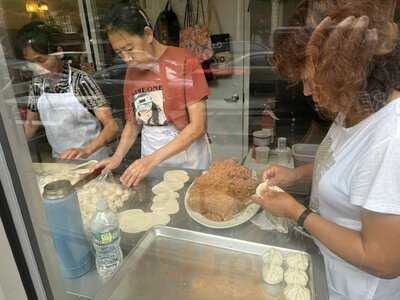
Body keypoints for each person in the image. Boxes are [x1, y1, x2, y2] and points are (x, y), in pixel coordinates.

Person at [253, 1, 400, 299]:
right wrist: (295, 176)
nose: (307, 92)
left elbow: (384, 261)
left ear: (348, 73)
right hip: (327, 272)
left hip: (357, 290)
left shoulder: (390, 136)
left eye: (310, 80)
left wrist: (297, 212)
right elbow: (346, 172)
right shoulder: (354, 110)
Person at [93, 3, 211, 187]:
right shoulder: (132, 72)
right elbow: (133, 124)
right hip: (150, 154)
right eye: (119, 52)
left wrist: (151, 160)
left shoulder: (184, 60)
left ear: (148, 34)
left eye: (130, 49)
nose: (126, 59)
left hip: (187, 156)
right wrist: (117, 157)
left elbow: (197, 127)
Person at [17, 21, 118, 160]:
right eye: (31, 63)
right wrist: (14, 151)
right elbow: (30, 124)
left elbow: (111, 126)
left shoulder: (80, 81)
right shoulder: (37, 85)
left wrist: (86, 150)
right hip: (61, 161)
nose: (37, 68)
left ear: (59, 52)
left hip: (92, 159)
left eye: (41, 60)